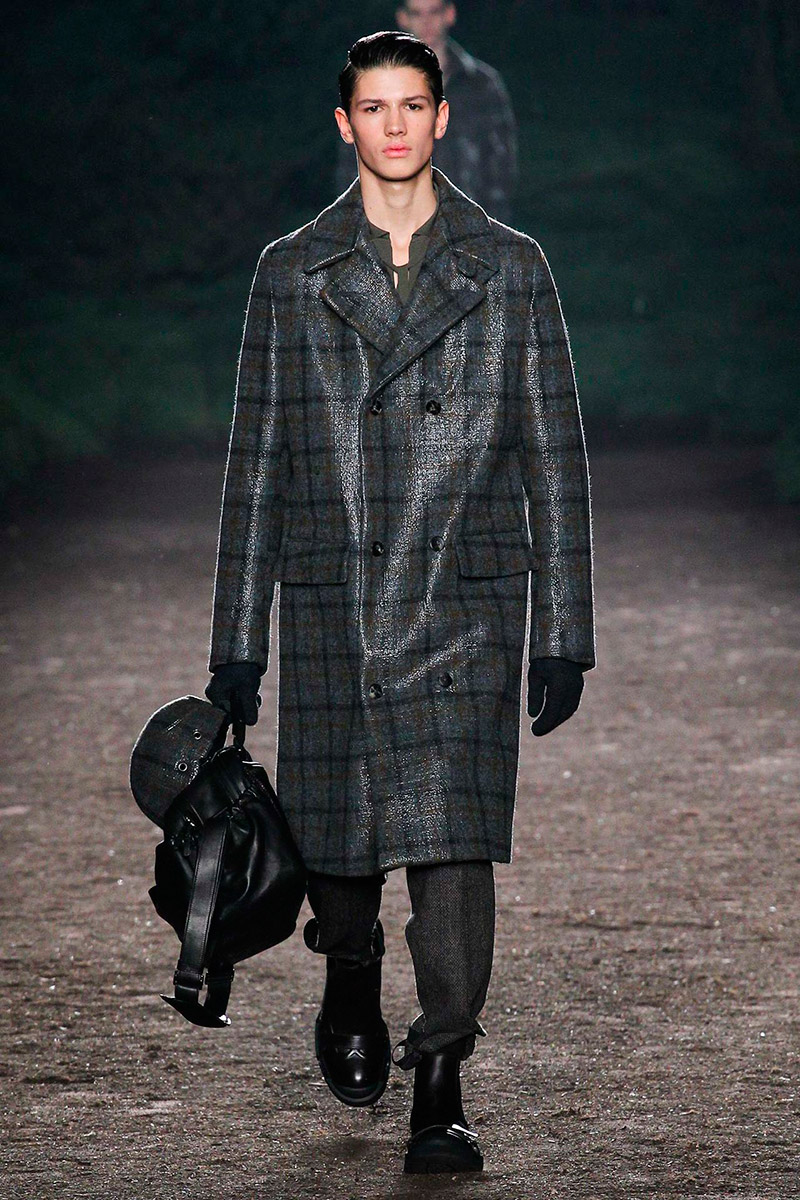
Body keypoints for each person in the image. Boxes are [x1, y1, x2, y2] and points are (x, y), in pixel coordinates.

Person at [207, 30, 594, 1175]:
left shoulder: (509, 266)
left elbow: (552, 453)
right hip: (335, 592)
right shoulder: (291, 270)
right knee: (338, 845)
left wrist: (562, 630)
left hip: (464, 594)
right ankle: (349, 960)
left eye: (411, 105)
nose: (392, 125)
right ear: (344, 124)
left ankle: (441, 1075)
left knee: (453, 843)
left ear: (440, 117)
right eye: (371, 107)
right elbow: (257, 462)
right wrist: (237, 644)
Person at [334, 3, 518, 222]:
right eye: (417, 14)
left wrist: (490, 229)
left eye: (434, 12)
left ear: (449, 14)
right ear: (403, 17)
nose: (426, 22)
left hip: (468, 222)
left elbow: (501, 167)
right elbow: (353, 160)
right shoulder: (372, 83)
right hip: (391, 223)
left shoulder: (481, 85)